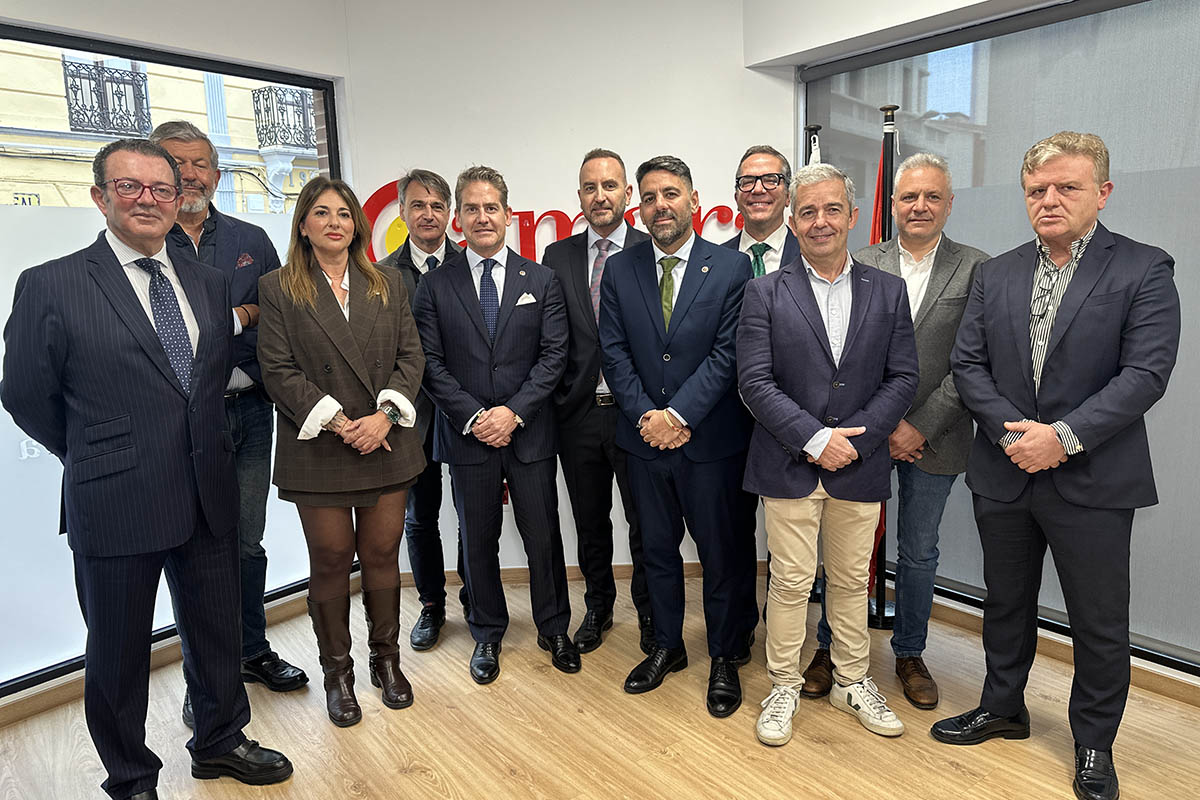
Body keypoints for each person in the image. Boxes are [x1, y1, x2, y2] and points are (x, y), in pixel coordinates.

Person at [1, 138, 292, 800]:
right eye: (129, 187)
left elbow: (204, 386)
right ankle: (131, 776)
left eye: (162, 189)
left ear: (179, 198)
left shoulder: (207, 283)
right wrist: (90, 452)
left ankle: (219, 742)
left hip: (207, 489)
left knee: (216, 631)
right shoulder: (52, 284)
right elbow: (24, 395)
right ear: (100, 196)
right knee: (119, 651)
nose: (148, 200)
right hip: (116, 497)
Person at [935, 132, 1180, 800]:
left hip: (1094, 478)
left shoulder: (1143, 269)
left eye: (1067, 187)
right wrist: (1016, 436)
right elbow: (968, 364)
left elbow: (1145, 374)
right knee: (1005, 602)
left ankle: (1094, 743)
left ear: (1103, 192)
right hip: (1005, 470)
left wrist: (1063, 438)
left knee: (1098, 621)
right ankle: (1002, 707)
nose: (1049, 200)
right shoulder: (996, 273)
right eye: (1037, 190)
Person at [737, 163, 919, 746]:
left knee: (849, 581)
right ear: (792, 222)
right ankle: (783, 685)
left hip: (859, 465)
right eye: (808, 212)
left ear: (853, 216)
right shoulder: (764, 292)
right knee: (790, 583)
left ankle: (852, 680)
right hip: (788, 463)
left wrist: (854, 442)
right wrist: (816, 439)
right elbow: (754, 382)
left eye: (832, 209)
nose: (821, 221)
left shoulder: (887, 290)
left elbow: (903, 377)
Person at [801, 153, 989, 710]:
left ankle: (909, 652)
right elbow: (840, 356)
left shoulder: (978, 268)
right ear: (891, 204)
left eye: (932, 197)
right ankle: (830, 647)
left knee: (919, 551)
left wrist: (920, 426)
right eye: (909, 196)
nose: (919, 206)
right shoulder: (860, 260)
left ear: (949, 204)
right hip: (863, 434)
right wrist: (881, 424)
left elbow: (974, 362)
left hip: (938, 435)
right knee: (845, 551)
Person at [148, 120, 307, 729]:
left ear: (215, 173)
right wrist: (232, 315)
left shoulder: (248, 239)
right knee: (194, 553)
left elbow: (279, 309)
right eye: (176, 163)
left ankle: (251, 651)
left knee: (245, 543)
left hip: (249, 411)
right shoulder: (147, 239)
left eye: (200, 164)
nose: (189, 175)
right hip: (182, 422)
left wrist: (236, 316)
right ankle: (207, 680)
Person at [257, 176, 426, 727]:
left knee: (381, 554)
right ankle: (338, 673)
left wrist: (384, 418)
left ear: (358, 225)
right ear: (303, 225)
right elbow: (277, 369)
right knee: (330, 558)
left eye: (345, 214)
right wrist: (339, 421)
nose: (335, 222)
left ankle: (386, 661)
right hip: (319, 443)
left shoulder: (388, 282)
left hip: (385, 437)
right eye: (322, 213)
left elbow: (411, 357)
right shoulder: (278, 287)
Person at [599, 154, 759, 718]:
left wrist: (680, 416)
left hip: (711, 443)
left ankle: (724, 656)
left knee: (721, 555)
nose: (659, 205)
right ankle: (667, 646)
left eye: (670, 194)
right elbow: (614, 353)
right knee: (657, 552)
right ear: (637, 208)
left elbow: (728, 354)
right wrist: (649, 416)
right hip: (643, 441)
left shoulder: (733, 267)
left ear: (693, 199)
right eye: (649, 197)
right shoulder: (620, 269)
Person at [412, 165, 578, 684]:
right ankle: (486, 631)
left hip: (529, 432)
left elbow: (554, 356)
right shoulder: (434, 286)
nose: (482, 217)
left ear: (508, 214)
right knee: (477, 539)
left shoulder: (541, 280)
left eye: (491, 208)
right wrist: (475, 417)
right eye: (471, 208)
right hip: (469, 437)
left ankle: (554, 627)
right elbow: (429, 364)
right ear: (458, 218)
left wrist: (514, 412)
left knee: (543, 535)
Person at [542, 148, 655, 655]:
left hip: (637, 414)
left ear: (627, 193)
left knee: (645, 522)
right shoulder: (558, 257)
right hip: (579, 414)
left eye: (610, 186)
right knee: (590, 522)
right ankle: (599, 607)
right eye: (590, 187)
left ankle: (650, 612)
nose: (600, 195)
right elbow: (551, 337)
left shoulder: (651, 250)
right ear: (580, 196)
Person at [377, 168, 467, 651]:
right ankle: (432, 604)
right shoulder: (381, 276)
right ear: (402, 212)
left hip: (465, 411)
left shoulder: (473, 264)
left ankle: (477, 595)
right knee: (419, 518)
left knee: (473, 514)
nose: (428, 214)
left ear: (449, 213)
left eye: (436, 205)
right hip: (409, 417)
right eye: (417, 205)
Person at [722, 144, 800, 276]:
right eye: (748, 181)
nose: (758, 189)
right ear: (736, 198)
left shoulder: (809, 255)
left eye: (770, 180)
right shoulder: (717, 261)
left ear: (788, 196)